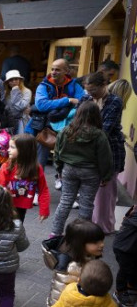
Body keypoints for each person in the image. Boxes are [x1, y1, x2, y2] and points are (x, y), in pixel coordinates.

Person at [51, 101, 113, 237]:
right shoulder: (99, 135)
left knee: (65, 201)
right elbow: (105, 158)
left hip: (69, 169)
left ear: (78, 114)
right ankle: (81, 236)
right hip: (91, 173)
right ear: (96, 116)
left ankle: (55, 233)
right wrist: (106, 176)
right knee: (86, 204)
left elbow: (57, 153)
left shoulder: (65, 131)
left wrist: (59, 170)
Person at [80, 72, 125, 234]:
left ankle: (104, 226)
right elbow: (77, 123)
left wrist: (84, 135)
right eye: (88, 90)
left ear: (103, 85)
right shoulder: (85, 99)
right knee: (89, 190)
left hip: (110, 150)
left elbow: (106, 129)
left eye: (93, 90)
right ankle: (90, 224)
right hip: (87, 151)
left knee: (106, 192)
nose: (90, 94)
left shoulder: (114, 102)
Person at [30, 58, 85, 167]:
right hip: (44, 129)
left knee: (66, 166)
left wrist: (53, 104)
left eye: (58, 70)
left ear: (66, 71)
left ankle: (62, 181)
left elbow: (82, 103)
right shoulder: (44, 86)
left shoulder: (74, 85)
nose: (54, 72)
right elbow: (42, 105)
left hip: (68, 130)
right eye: (52, 69)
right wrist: (68, 100)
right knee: (38, 165)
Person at [43, 219, 105, 306]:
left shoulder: (87, 255)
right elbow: (58, 294)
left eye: (101, 240)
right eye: (96, 242)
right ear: (79, 244)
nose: (102, 245)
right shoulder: (68, 268)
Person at [113, 206, 137, 306]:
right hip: (124, 248)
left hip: (131, 246)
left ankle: (131, 287)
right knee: (126, 270)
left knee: (133, 269)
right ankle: (120, 292)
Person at [3, 70, 32, 134]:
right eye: (11, 80)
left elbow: (21, 106)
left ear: (20, 80)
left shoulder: (26, 91)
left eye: (16, 79)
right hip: (9, 121)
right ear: (8, 82)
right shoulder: (6, 93)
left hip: (22, 121)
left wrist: (15, 90)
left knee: (20, 141)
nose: (14, 81)